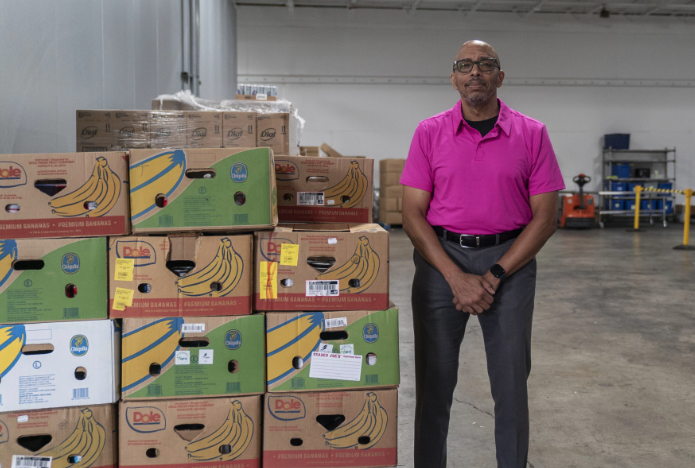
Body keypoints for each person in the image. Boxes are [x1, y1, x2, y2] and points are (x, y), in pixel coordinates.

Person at [400, 40, 565, 468]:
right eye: (466, 65)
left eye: (486, 64)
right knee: (433, 384)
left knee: (511, 386)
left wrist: (493, 275)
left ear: (500, 76)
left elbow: (545, 217)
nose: (476, 72)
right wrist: (456, 277)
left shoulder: (532, 133)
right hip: (441, 262)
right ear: (453, 78)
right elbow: (412, 214)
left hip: (509, 262)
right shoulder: (429, 132)